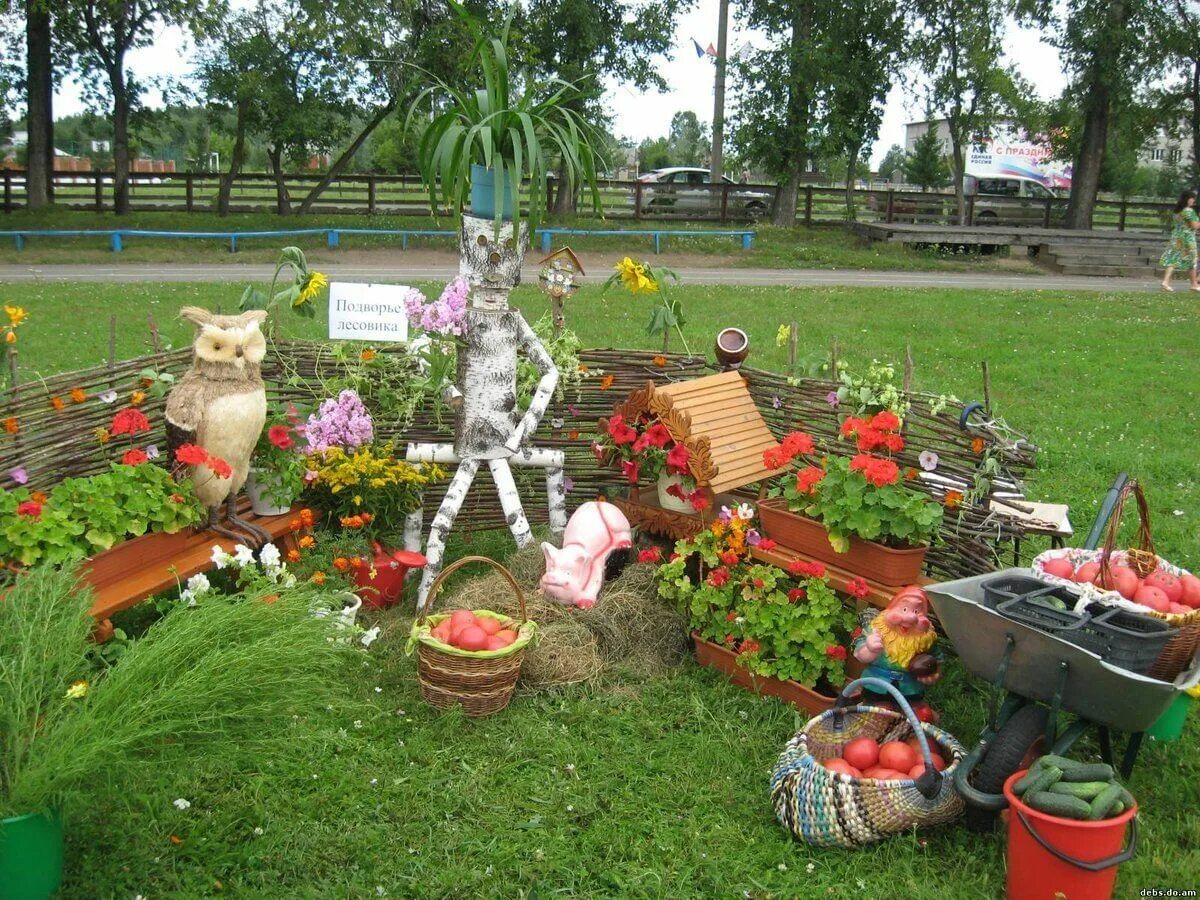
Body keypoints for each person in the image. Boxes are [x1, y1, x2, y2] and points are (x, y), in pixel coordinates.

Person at [1159, 189, 1200, 292]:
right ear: (1188, 199)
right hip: (1187, 238)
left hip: (1176, 237)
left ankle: (1165, 281)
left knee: (1173, 258)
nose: (1193, 201)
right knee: (1191, 260)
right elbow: (1195, 226)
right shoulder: (1189, 211)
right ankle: (1194, 284)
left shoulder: (1177, 211)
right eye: (1192, 199)